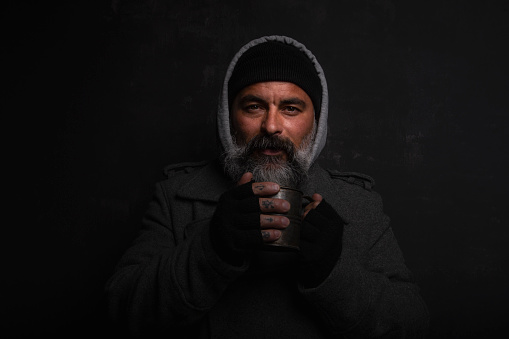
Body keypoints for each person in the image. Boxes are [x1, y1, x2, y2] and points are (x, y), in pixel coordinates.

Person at [105, 35, 429, 338]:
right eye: (254, 106)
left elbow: (411, 325)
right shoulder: (177, 195)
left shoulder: (358, 205)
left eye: (290, 108)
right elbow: (121, 309)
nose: (271, 126)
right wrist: (210, 249)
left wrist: (333, 272)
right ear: (227, 118)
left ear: (316, 122)